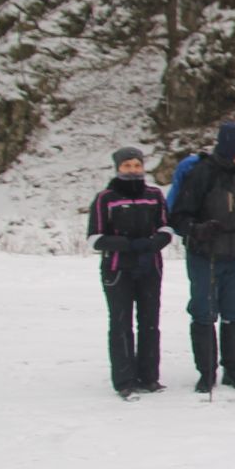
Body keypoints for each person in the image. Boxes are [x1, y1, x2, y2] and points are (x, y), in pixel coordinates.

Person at [170, 122, 235, 393]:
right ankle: (206, 371)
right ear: (232, 145)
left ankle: (233, 368)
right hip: (206, 253)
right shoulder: (203, 173)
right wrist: (197, 229)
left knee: (234, 311)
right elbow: (179, 215)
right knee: (204, 311)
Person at [87, 146, 171, 399]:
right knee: (121, 323)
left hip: (149, 267)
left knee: (150, 323)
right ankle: (124, 380)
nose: (133, 170)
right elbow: (95, 238)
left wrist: (154, 242)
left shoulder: (154, 195)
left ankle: (149, 376)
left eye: (136, 165)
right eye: (127, 166)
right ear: (118, 168)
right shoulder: (105, 198)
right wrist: (127, 244)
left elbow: (166, 228)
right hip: (117, 268)